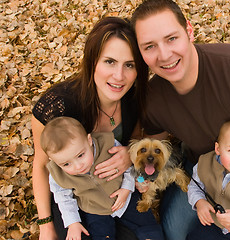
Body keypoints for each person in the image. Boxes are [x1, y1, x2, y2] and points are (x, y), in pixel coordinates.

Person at [131, 0, 230, 239]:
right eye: (149, 46)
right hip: (202, 166)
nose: (164, 55)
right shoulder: (153, 96)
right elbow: (152, 148)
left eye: (171, 38)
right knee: (173, 231)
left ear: (189, 30)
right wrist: (138, 175)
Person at [32, 16, 148, 240]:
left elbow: (135, 140)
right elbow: (41, 165)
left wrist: (130, 154)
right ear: (92, 60)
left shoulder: (135, 98)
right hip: (73, 197)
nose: (119, 76)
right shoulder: (57, 105)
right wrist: (45, 225)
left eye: (129, 65)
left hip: (115, 188)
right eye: (110, 62)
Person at [40, 117, 164, 240]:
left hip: (124, 199)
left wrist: (126, 188)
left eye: (80, 155)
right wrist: (73, 223)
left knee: (147, 226)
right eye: (66, 164)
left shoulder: (107, 145)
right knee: (101, 234)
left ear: (89, 140)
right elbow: (63, 199)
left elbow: (127, 166)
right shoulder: (58, 175)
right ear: (55, 162)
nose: (78, 166)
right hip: (94, 209)